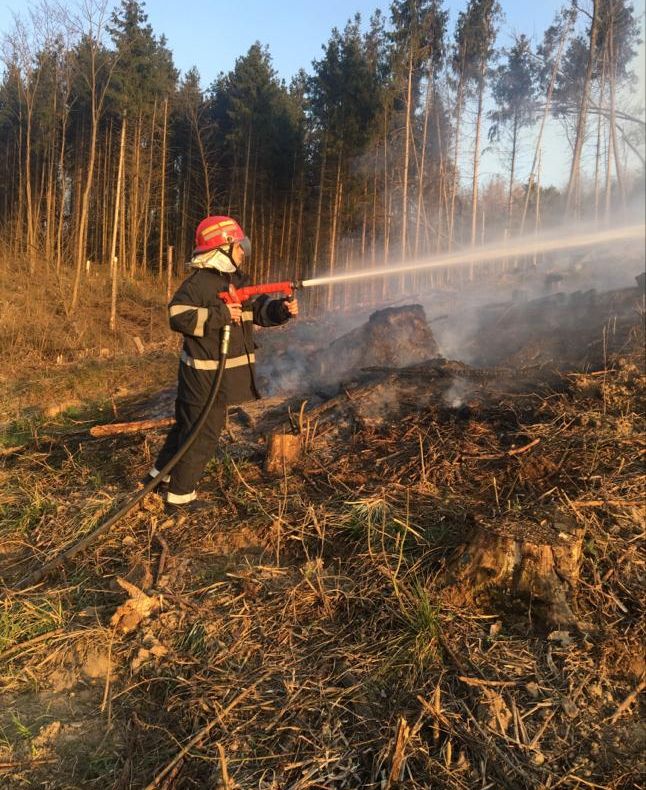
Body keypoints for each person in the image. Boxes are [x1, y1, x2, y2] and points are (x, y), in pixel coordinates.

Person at [147, 215, 298, 513]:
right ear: (222, 246)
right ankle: (180, 497)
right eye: (239, 246)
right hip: (203, 377)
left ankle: (157, 479)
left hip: (214, 376)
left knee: (186, 428)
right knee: (201, 434)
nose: (243, 251)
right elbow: (177, 315)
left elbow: (255, 310)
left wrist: (281, 310)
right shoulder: (200, 283)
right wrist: (220, 315)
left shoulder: (232, 281)